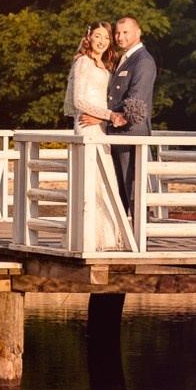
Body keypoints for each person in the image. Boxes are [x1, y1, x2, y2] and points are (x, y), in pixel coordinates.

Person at [62, 22, 129, 248]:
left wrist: (104, 118)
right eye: (98, 36)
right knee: (89, 181)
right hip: (87, 126)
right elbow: (79, 100)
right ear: (88, 37)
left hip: (100, 127)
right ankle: (85, 238)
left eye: (106, 38)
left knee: (105, 179)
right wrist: (110, 115)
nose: (102, 41)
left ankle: (105, 238)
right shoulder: (82, 62)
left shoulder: (104, 65)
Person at [103, 16, 158, 214]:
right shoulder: (124, 59)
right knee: (119, 188)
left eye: (125, 32)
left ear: (138, 32)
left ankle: (141, 237)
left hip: (130, 132)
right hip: (117, 133)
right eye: (117, 33)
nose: (120, 37)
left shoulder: (143, 61)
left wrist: (104, 114)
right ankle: (126, 238)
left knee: (133, 187)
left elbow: (136, 101)